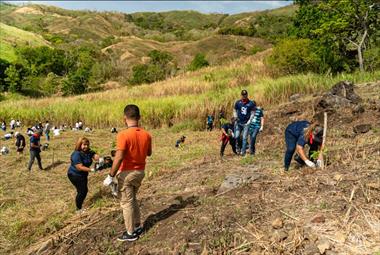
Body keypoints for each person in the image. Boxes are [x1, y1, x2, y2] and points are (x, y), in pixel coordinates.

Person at [104, 104, 152, 242]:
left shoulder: (123, 134)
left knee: (126, 203)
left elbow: (119, 157)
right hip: (140, 172)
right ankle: (137, 226)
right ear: (139, 117)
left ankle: (131, 233)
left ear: (124, 118)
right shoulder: (146, 135)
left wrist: (110, 175)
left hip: (127, 173)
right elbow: (149, 153)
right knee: (133, 200)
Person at [67, 137, 99, 212]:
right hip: (75, 175)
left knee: (83, 190)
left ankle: (79, 205)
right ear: (79, 144)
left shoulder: (88, 151)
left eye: (87, 145)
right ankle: (78, 209)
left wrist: (96, 156)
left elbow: (93, 154)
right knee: (82, 191)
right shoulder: (76, 154)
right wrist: (92, 170)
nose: (86, 146)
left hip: (83, 175)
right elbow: (79, 167)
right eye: (84, 145)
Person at [233, 90, 256, 156]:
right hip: (238, 122)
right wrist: (235, 116)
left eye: (245, 95)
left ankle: (243, 152)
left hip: (246, 123)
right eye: (243, 95)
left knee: (244, 138)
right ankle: (237, 148)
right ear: (241, 95)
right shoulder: (238, 102)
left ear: (247, 95)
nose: (244, 96)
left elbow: (253, 113)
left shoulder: (251, 103)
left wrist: (249, 121)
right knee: (236, 136)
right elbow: (234, 110)